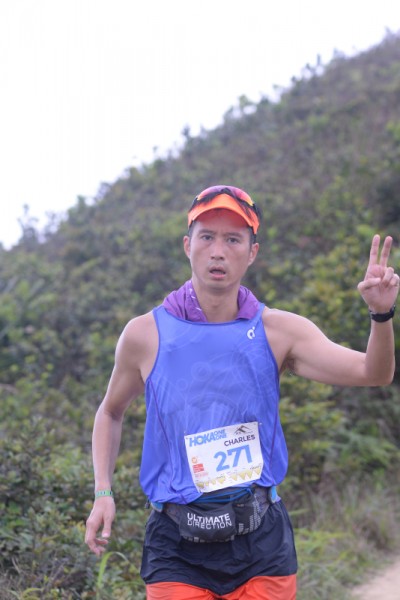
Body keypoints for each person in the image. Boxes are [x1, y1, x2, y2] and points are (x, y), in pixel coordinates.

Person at [85, 185, 399, 599]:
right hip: (175, 546)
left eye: (233, 240)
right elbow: (110, 412)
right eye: (207, 237)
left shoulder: (280, 331)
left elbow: (373, 373)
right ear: (187, 245)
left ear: (252, 253)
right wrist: (103, 492)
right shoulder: (145, 334)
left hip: (261, 540)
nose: (218, 251)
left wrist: (381, 314)